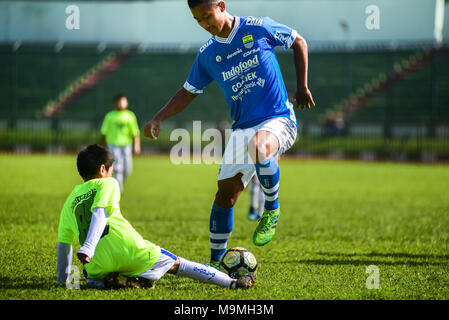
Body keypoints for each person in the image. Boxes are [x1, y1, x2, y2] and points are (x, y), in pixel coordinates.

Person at [144, 0, 315, 267]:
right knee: (225, 194)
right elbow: (188, 91)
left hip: (278, 118)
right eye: (198, 20)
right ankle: (215, 263)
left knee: (260, 147)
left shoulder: (257, 27)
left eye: (207, 16)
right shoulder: (207, 54)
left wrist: (302, 87)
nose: (204, 24)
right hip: (242, 127)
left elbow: (299, 41)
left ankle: (271, 209)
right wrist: (159, 117)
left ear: (221, 5)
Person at [56, 144, 254, 290]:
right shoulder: (108, 183)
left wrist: (62, 280)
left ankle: (102, 282)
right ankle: (232, 283)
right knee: (178, 264)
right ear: (102, 169)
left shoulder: (68, 202)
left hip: (97, 264)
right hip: (129, 250)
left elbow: (63, 246)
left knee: (89, 274)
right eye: (111, 168)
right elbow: (101, 212)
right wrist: (89, 246)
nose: (113, 172)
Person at [100, 93, 141, 193]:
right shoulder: (110, 116)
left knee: (127, 170)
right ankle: (118, 190)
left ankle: (118, 184)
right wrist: (102, 146)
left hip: (126, 145)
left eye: (123, 101)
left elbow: (135, 132)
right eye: (119, 101)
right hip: (113, 144)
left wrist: (136, 145)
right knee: (118, 168)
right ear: (115, 103)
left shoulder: (130, 115)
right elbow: (104, 132)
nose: (121, 103)